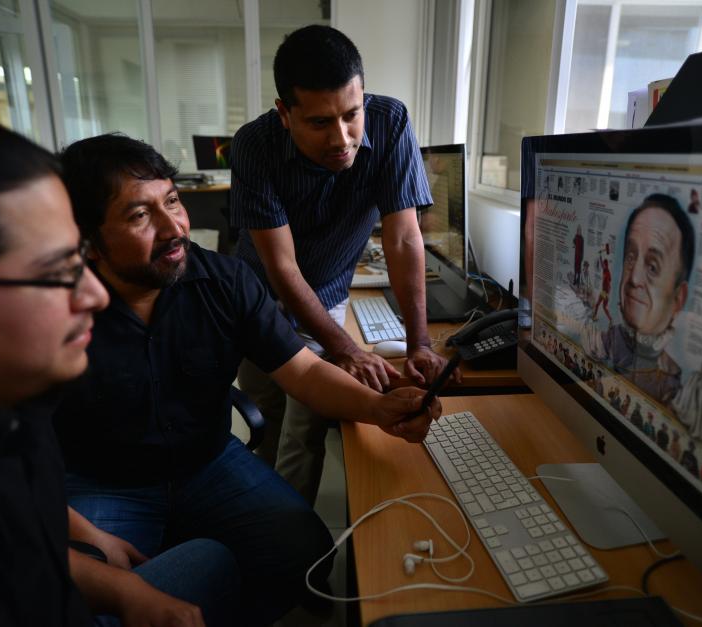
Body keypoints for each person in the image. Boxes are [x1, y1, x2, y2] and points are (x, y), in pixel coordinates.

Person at [53, 133, 442, 627]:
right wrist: (83, 530)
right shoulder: (54, 312)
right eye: (139, 216)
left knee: (308, 556)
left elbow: (302, 370)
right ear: (87, 241)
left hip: (207, 462)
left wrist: (378, 408)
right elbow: (15, 458)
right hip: (104, 484)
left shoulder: (225, 281)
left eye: (172, 201)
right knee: (88, 607)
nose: (174, 227)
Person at [0, 109, 209, 626]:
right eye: (56, 274)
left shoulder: (10, 395)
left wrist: (123, 590)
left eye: (80, 259)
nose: (94, 295)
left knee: (216, 560)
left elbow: (26, 547)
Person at [230, 25, 456, 504]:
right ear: (284, 114)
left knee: (306, 429)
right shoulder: (254, 146)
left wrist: (419, 342)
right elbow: (283, 268)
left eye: (352, 115)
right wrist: (347, 349)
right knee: (265, 421)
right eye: (319, 123)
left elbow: (403, 236)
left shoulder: (390, 121)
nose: (342, 138)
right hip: (257, 302)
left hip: (329, 292)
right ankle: (257, 523)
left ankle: (293, 539)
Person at [584, 194, 695, 406]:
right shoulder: (608, 340)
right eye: (631, 257)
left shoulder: (672, 381)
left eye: (652, 267)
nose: (633, 278)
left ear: (678, 299)